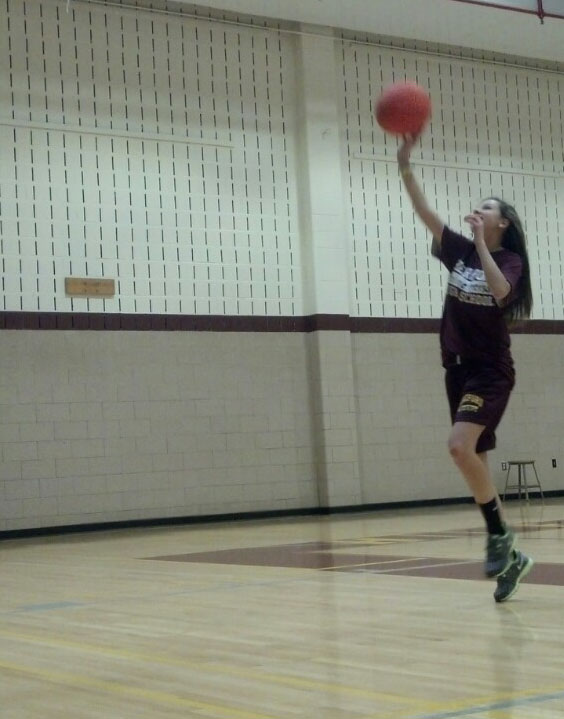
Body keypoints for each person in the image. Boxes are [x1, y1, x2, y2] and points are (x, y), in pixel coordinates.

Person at [397, 133, 534, 602]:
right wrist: (404, 164)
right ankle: (511, 558)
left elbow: (499, 293)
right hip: (455, 370)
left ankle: (498, 536)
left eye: (487, 208)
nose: (478, 210)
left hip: (489, 370)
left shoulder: (508, 259)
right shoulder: (456, 249)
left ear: (503, 222)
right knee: (475, 461)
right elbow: (424, 213)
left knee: (458, 447)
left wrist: (478, 241)